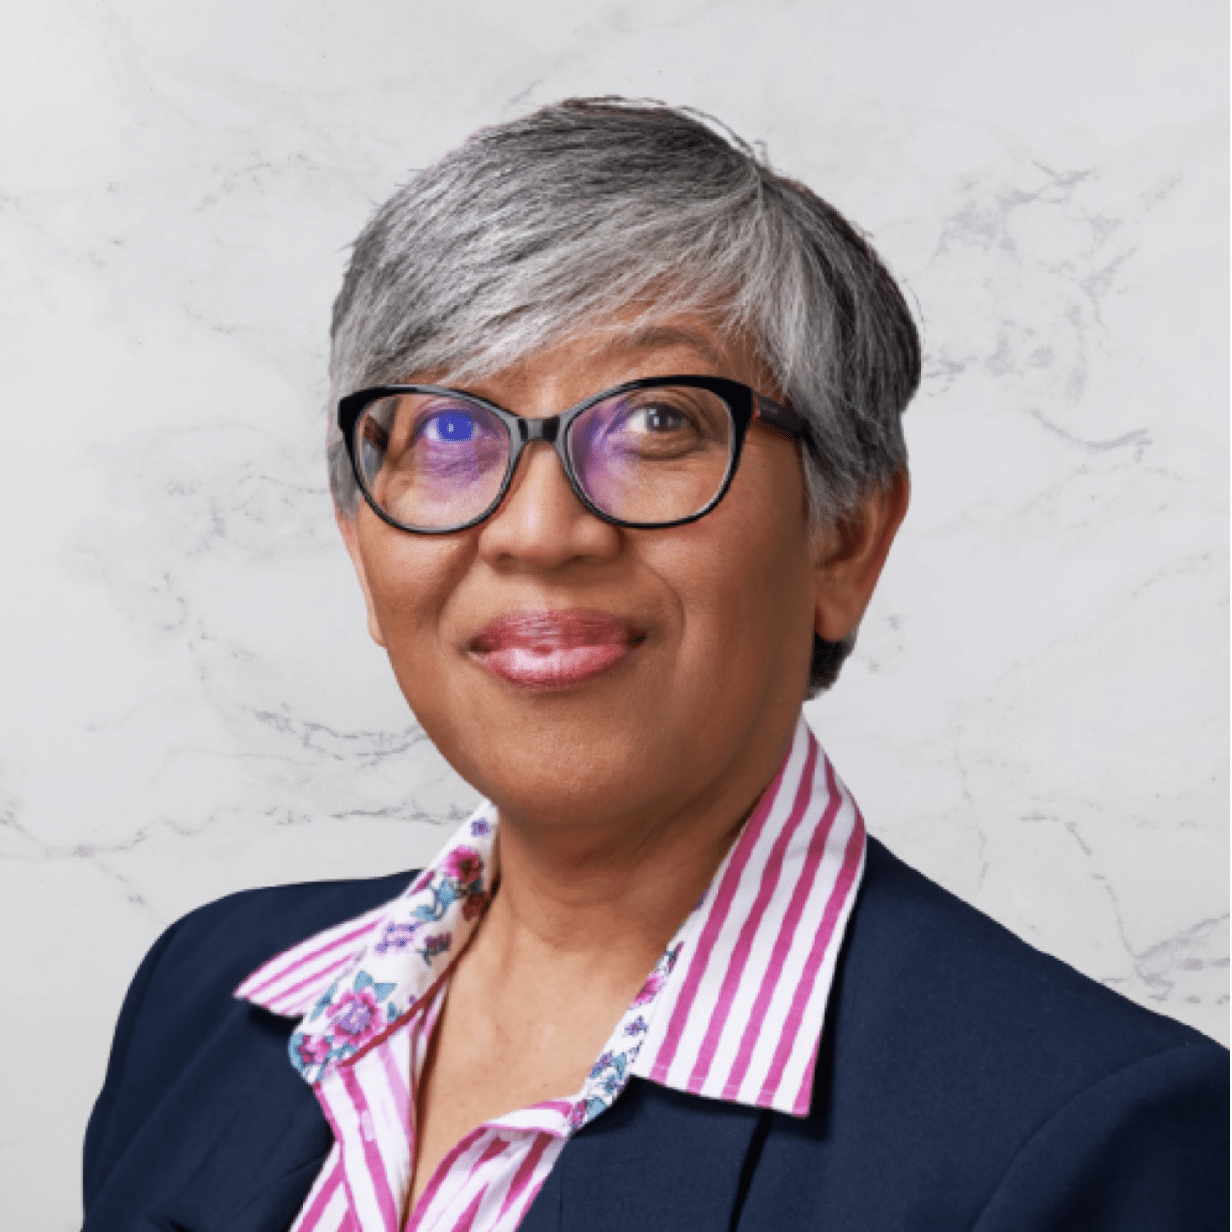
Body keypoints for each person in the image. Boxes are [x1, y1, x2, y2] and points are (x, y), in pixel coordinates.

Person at [81, 98, 1227, 1232]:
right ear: (359, 542)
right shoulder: (209, 998)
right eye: (443, 431)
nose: (536, 531)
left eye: (656, 425)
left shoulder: (1088, 1135)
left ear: (844, 535)